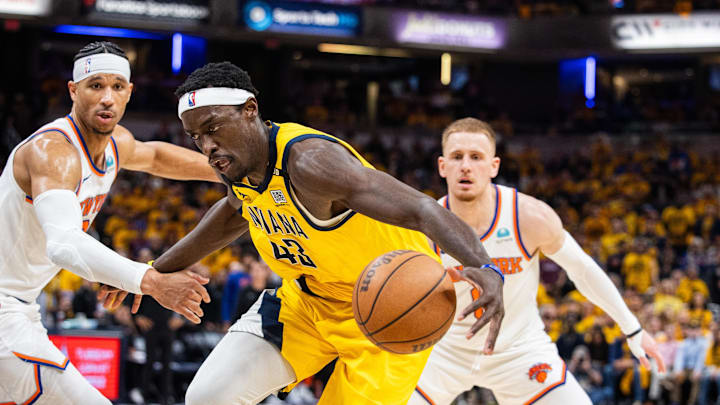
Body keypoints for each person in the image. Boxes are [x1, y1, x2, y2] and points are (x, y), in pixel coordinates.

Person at [136, 62, 505, 405]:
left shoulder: (312, 163)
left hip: (388, 315)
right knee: (207, 397)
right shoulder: (239, 168)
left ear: (250, 110)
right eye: (196, 136)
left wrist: (486, 269)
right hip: (306, 306)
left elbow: (421, 209)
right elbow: (234, 213)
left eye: (213, 128)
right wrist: (152, 271)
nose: (207, 145)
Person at [0, 41, 218, 405]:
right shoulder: (54, 153)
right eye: (95, 85)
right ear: (73, 90)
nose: (107, 97)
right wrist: (148, 282)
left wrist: (234, 171)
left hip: (21, 305)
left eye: (117, 86)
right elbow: (64, 243)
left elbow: (157, 157)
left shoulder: (117, 144)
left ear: (130, 93)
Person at [409, 118, 666, 405]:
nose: (466, 166)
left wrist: (633, 329)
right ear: (442, 166)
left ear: (494, 166)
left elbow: (581, 268)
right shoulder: (421, 226)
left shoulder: (528, 216)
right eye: (457, 157)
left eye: (476, 157)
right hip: (443, 353)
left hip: (519, 350)